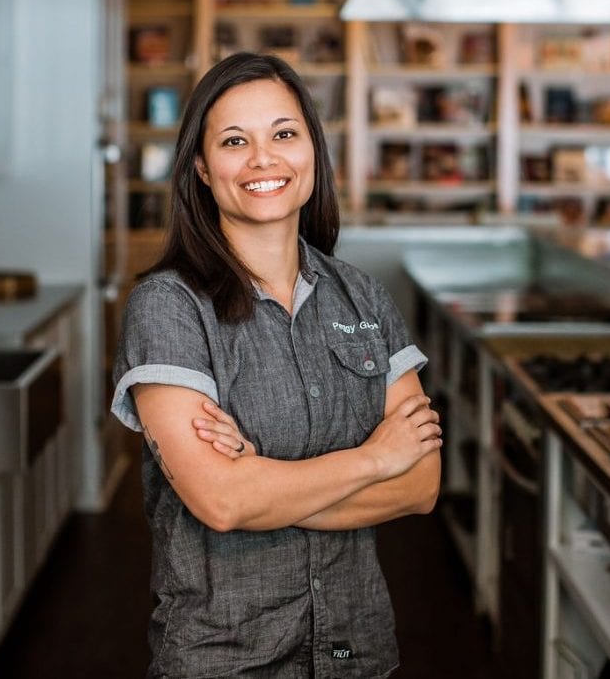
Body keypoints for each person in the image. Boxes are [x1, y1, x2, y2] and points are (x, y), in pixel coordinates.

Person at [112, 52, 442, 678]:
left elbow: (420, 485)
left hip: (357, 651)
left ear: (313, 151)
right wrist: (374, 460)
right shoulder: (167, 308)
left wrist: (262, 479)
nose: (264, 160)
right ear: (203, 169)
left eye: (284, 134)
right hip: (225, 658)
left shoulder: (363, 295)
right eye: (235, 141)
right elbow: (222, 502)